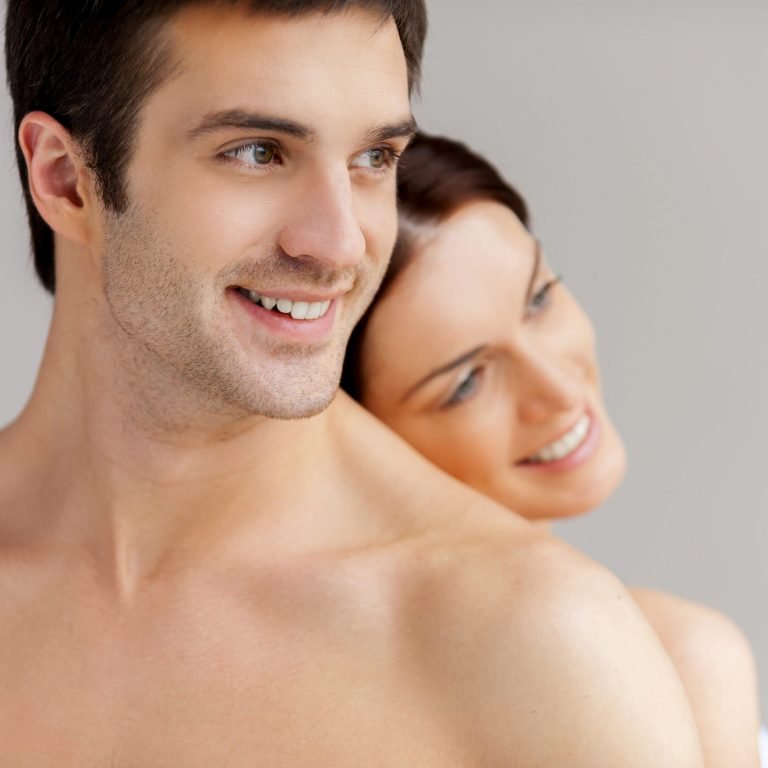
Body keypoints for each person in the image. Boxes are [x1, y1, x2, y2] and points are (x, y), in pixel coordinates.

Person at [0, 2, 707, 765]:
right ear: (65, 180)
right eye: (257, 152)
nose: (339, 244)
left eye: (374, 158)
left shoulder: (535, 648)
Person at [342, 132, 764, 767]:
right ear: (355, 434)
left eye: (538, 298)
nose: (561, 390)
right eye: (466, 382)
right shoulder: (676, 658)